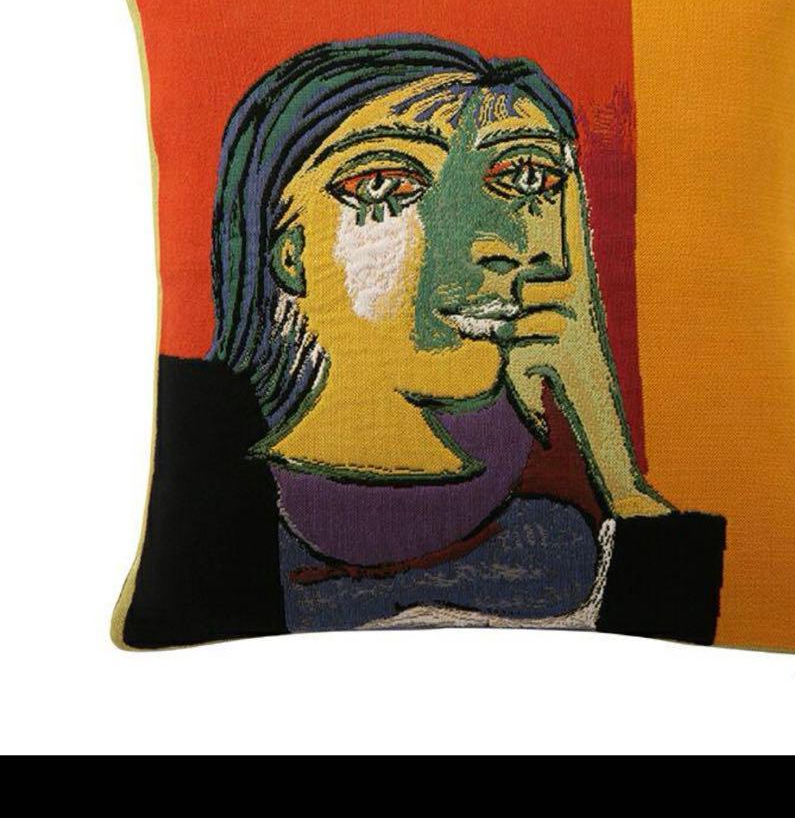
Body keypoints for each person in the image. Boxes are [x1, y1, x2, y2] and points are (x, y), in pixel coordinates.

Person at [117, 33, 726, 649]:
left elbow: (679, 621)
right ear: (291, 255)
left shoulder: (558, 530)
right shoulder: (225, 506)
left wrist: (615, 464)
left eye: (527, 176)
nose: (498, 243)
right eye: (386, 185)